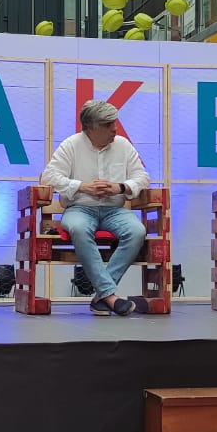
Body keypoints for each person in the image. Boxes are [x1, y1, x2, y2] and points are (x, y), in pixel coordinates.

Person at [40, 100, 151, 316]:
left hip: (114, 210)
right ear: (91, 127)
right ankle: (110, 296)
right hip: (80, 208)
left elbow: (142, 177)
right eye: (108, 124)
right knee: (79, 229)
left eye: (114, 123)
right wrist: (82, 186)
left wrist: (119, 187)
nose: (115, 129)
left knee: (137, 231)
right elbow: (49, 176)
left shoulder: (123, 145)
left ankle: (102, 296)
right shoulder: (71, 145)